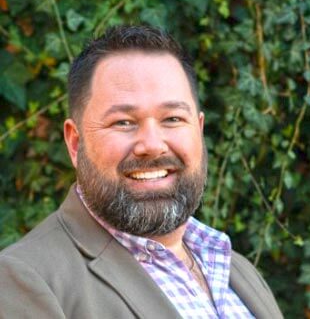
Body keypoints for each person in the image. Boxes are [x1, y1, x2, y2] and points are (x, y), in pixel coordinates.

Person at [0, 25, 283, 319]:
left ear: (198, 130)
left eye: (172, 118)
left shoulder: (235, 270)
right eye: (123, 122)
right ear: (75, 143)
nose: (152, 145)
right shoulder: (24, 281)